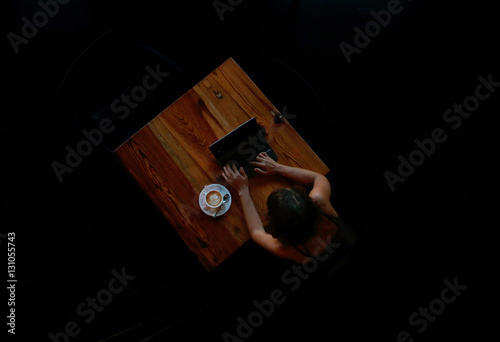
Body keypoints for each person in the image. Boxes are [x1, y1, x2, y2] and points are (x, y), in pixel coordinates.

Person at [222, 152, 340, 264]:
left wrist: (242, 190)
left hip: (312, 258)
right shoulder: (320, 202)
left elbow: (256, 231)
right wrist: (278, 168)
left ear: (276, 225)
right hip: (332, 237)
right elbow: (319, 178)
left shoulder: (287, 249)